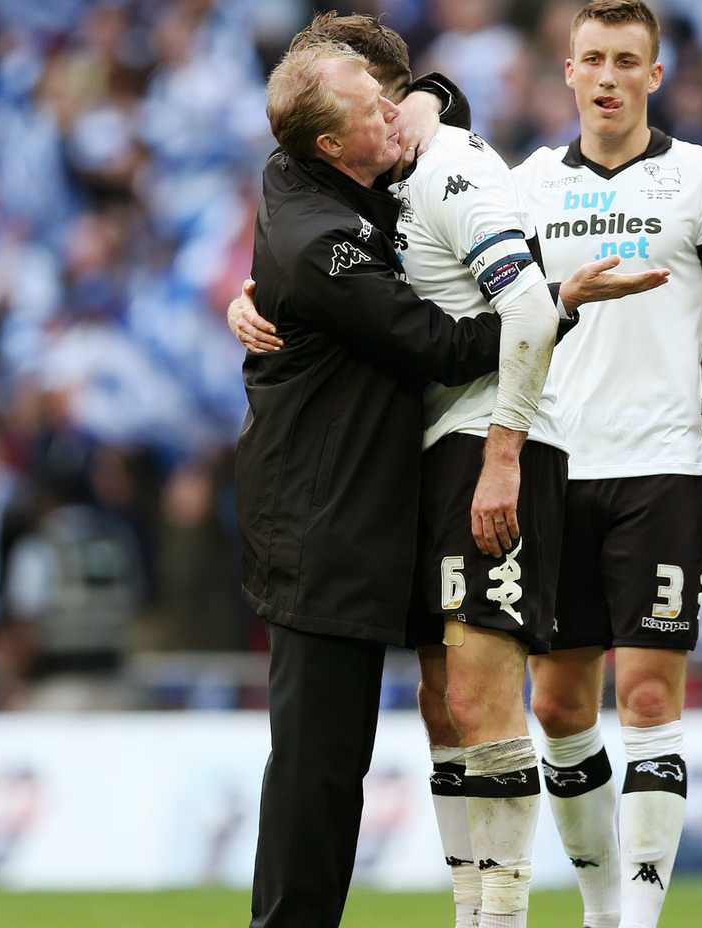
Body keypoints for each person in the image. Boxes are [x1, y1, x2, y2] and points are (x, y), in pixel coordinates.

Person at [239, 36, 663, 928]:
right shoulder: (324, 247)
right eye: (371, 109)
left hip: (373, 503)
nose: (392, 112)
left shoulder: (310, 174)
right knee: (321, 767)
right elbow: (445, 343)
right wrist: (558, 303)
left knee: (437, 711)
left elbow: (431, 96)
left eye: (386, 96)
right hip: (324, 526)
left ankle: (499, 912)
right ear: (328, 144)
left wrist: (423, 102)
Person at [510, 5, 702, 926]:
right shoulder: (529, 186)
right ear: (569, 74)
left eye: (628, 59)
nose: (609, 75)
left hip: (662, 466)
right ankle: (598, 905)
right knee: (557, 705)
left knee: (652, 691)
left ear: (655, 76)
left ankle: (639, 920)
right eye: (593, 60)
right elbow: (496, 326)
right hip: (552, 465)